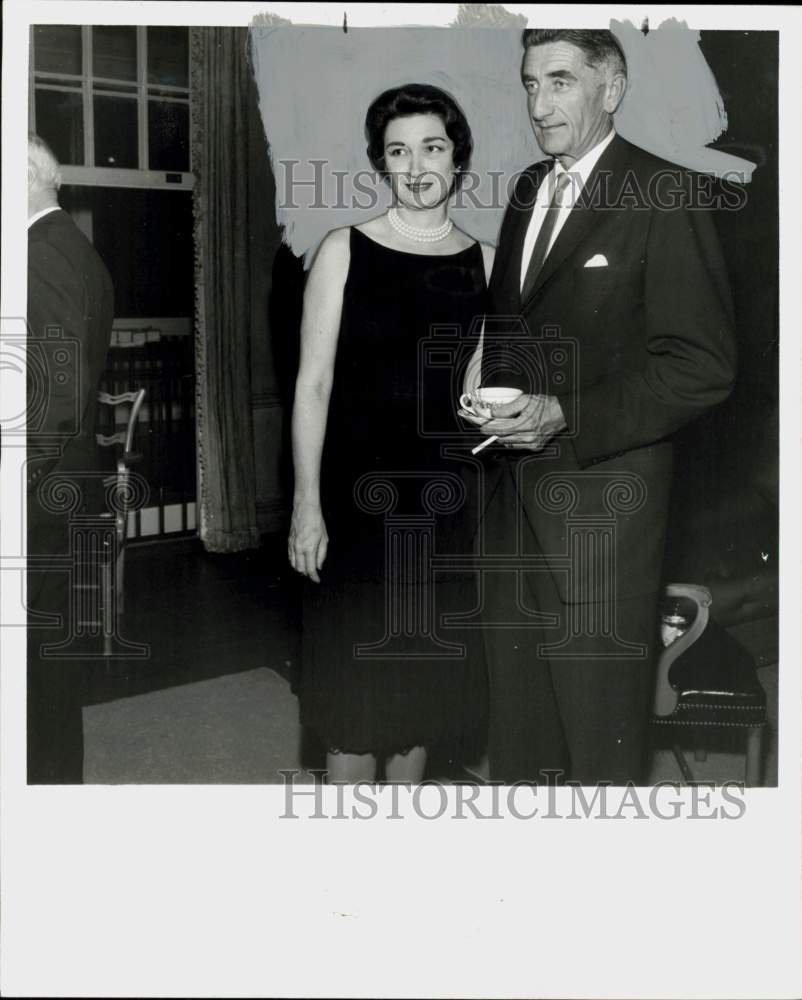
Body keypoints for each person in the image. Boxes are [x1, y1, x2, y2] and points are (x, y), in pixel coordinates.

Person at [461, 29, 737, 784]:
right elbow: (513, 319)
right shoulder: (526, 188)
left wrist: (564, 415)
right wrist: (484, 367)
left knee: (597, 742)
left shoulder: (664, 192)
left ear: (610, 88)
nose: (539, 104)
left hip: (602, 520)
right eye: (528, 83)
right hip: (510, 509)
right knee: (521, 739)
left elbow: (702, 367)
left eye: (559, 82)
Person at [288, 84, 492, 783]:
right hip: (355, 509)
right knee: (354, 705)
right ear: (381, 164)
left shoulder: (488, 263)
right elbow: (312, 385)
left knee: (419, 701)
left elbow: (480, 387)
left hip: (441, 512)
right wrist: (306, 504)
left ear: (457, 159)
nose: (416, 166)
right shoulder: (344, 249)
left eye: (431, 148)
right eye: (398, 151)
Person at [27, 134, 114, 783]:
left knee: (36, 652)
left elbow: (58, 390)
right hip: (64, 477)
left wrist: (19, 469)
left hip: (41, 484)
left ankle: (46, 787)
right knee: (47, 644)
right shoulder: (74, 249)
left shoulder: (42, 253)